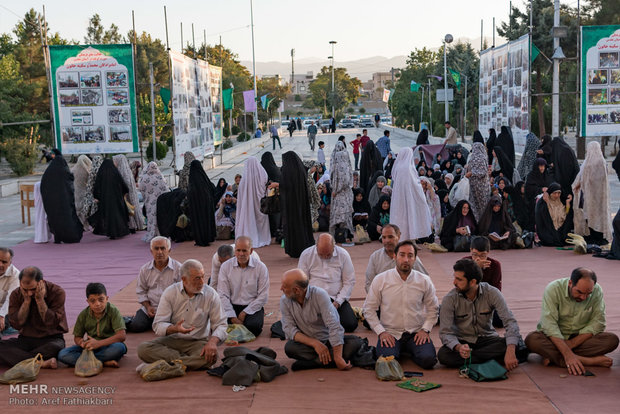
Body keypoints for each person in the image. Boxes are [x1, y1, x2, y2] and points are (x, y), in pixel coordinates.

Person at [525, 268, 619, 375]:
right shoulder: (553, 289)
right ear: (570, 283)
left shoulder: (597, 290)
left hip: (579, 339)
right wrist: (568, 355)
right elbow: (549, 325)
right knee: (532, 340)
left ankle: (553, 356)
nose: (583, 297)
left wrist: (571, 344)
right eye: (579, 292)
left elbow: (598, 323)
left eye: (588, 294)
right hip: (554, 338)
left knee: (611, 340)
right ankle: (585, 360)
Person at [137, 260, 227, 371]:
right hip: (172, 341)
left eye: (203, 277)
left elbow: (221, 324)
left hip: (197, 342)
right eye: (197, 278)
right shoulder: (170, 293)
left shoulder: (211, 294)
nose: (202, 282)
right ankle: (185, 363)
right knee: (143, 349)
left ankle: (165, 364)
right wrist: (174, 329)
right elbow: (158, 325)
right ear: (184, 279)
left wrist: (212, 342)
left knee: (211, 357)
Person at [364, 240, 439, 369]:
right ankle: (398, 350)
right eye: (402, 255)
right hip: (390, 333)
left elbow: (433, 308)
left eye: (410, 256)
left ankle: (408, 349)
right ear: (394, 256)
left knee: (429, 360)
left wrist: (425, 330)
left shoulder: (424, 280)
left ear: (415, 258)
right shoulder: (381, 279)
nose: (406, 259)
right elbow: (368, 309)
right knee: (387, 363)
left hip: (416, 333)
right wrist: (381, 332)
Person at [438, 259, 521, 370]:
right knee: (443, 355)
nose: (454, 282)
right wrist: (459, 347)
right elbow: (445, 332)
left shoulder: (492, 293)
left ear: (472, 282)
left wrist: (510, 350)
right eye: (454, 277)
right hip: (463, 341)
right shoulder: (450, 299)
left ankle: (473, 359)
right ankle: (491, 358)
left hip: (487, 338)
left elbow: (510, 321)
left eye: (459, 279)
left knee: (518, 344)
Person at [280, 269, 360, 371]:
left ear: (296, 290)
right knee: (290, 348)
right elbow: (289, 329)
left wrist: (337, 356)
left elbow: (334, 325)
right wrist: (315, 343)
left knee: (355, 343)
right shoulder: (284, 300)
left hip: (328, 341)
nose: (281, 288)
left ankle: (313, 363)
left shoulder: (320, 295)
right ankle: (328, 361)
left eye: (284, 286)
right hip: (307, 344)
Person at [0, 267, 68, 369]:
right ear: (20, 283)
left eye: (33, 289)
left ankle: (19, 358)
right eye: (26, 290)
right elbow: (16, 324)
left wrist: (40, 300)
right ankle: (40, 363)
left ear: (41, 282)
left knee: (55, 348)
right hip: (25, 339)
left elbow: (51, 322)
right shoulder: (16, 294)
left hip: (51, 339)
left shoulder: (57, 292)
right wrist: (26, 301)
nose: (29, 293)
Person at [58, 283, 127, 368]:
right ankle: (102, 362)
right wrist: (82, 343)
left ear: (107, 298)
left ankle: (88, 362)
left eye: (101, 299)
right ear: (88, 301)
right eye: (93, 301)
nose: (97, 304)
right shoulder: (83, 314)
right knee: (63, 354)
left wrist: (98, 343)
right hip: (91, 348)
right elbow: (77, 337)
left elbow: (121, 336)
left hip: (109, 345)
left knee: (119, 348)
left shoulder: (113, 311)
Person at [298, 234, 357, 332]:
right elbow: (302, 281)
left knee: (350, 324)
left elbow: (349, 282)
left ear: (334, 246)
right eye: (321, 255)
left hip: (335, 299)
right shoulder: (306, 254)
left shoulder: (343, 254)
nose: (325, 257)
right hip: (313, 298)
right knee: (302, 323)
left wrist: (338, 302)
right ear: (316, 246)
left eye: (328, 254)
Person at [126, 236, 181, 333]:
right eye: (156, 249)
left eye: (163, 248)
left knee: (180, 326)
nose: (159, 252)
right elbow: (141, 291)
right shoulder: (145, 269)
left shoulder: (179, 268)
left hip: (171, 310)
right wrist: (147, 307)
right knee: (136, 326)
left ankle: (157, 323)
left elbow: (183, 292)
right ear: (151, 251)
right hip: (151, 309)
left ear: (169, 250)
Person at [217, 236, 269, 337]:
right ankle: (238, 330)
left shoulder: (260, 267)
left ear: (251, 251)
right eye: (238, 250)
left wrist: (245, 312)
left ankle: (236, 331)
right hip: (231, 306)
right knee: (218, 325)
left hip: (251, 307)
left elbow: (263, 296)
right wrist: (232, 317)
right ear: (234, 251)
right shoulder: (226, 267)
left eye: (244, 250)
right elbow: (222, 294)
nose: (241, 254)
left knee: (254, 327)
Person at [365, 225, 427, 293]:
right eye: (384, 237)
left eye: (390, 237)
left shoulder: (409, 256)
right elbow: (369, 284)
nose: (387, 241)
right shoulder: (375, 257)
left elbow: (425, 281)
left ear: (399, 236)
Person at [572, 141, 612, 245]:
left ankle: (594, 236)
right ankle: (599, 237)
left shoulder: (588, 164)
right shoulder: (602, 162)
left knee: (589, 215)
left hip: (589, 196)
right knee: (599, 215)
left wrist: (577, 186)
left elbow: (581, 179)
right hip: (600, 196)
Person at [40, 150, 84, 244]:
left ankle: (58, 237)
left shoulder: (48, 172)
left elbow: (43, 186)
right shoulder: (64, 170)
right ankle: (71, 236)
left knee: (55, 219)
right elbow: (70, 182)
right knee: (67, 218)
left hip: (52, 202)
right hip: (64, 201)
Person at [389, 147, 432, 240]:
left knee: (400, 217)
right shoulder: (408, 168)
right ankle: (411, 239)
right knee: (410, 216)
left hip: (398, 198)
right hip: (409, 197)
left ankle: (401, 238)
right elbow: (414, 183)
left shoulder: (397, 167)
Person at [280, 151, 315, 258]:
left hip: (291, 206)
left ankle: (295, 249)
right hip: (301, 205)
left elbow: (286, 186)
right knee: (302, 225)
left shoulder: (288, 172)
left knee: (294, 227)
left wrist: (278, 185)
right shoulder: (300, 170)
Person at [462, 236, 504, 327]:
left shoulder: (495, 265)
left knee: (501, 319)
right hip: (467, 301)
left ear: (488, 253)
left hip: (487, 303)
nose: (478, 259)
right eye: (475, 255)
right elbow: (462, 287)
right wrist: (474, 268)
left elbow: (496, 290)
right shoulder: (464, 263)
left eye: (482, 256)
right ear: (470, 250)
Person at [88, 159, 130, 240]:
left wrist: (97, 196)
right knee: (117, 215)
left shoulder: (101, 173)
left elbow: (96, 186)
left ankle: (111, 232)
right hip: (117, 198)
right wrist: (125, 191)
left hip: (105, 199)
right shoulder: (115, 172)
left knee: (108, 216)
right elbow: (122, 183)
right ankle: (118, 231)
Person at [235, 157, 271, 248]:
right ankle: (264, 238)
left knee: (250, 221)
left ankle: (249, 239)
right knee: (261, 223)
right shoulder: (263, 174)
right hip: (261, 204)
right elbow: (266, 187)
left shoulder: (244, 181)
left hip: (248, 208)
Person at [187, 160, 216, 246]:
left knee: (198, 222)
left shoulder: (192, 179)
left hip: (196, 207)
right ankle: (208, 237)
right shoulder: (204, 178)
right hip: (206, 205)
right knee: (206, 221)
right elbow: (212, 188)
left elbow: (189, 193)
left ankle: (200, 239)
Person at [113, 154, 145, 233]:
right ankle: (137, 225)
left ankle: (132, 226)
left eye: (115, 161)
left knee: (129, 209)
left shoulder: (122, 172)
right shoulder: (126, 171)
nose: (114, 163)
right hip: (130, 195)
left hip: (127, 196)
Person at [139, 162, 170, 242]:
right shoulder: (160, 176)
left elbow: (141, 189)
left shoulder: (144, 177)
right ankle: (161, 233)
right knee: (160, 217)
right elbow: (166, 189)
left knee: (151, 217)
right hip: (161, 202)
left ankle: (153, 233)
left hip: (150, 201)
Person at [535, 182, 574, 247]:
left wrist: (567, 203)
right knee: (551, 240)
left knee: (565, 238)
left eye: (559, 193)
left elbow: (565, 217)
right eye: (554, 193)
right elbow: (546, 219)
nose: (557, 195)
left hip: (560, 230)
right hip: (548, 230)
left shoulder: (560, 201)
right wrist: (547, 203)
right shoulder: (542, 203)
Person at [329, 141, 354, 237]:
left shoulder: (337, 160)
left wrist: (335, 190)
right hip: (347, 192)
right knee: (346, 214)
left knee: (337, 214)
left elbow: (338, 179)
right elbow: (348, 179)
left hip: (338, 193)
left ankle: (337, 235)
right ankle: (347, 234)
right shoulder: (347, 160)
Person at [525, 158, 553, 231]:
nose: (542, 168)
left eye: (543, 166)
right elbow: (529, 189)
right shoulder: (531, 176)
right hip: (534, 202)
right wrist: (540, 189)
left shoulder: (547, 175)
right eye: (540, 166)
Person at [467, 142, 491, 222]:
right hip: (482, 187)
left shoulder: (473, 158)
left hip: (475, 186)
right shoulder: (483, 157)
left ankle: (479, 224)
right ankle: (483, 224)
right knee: (482, 206)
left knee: (476, 206)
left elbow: (482, 171)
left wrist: (472, 173)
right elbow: (484, 171)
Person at [0, 247, 19, 337]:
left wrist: (1, 315)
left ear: (10, 263)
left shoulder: (15, 275)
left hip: (7, 311)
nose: (0, 265)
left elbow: (10, 300)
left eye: (4, 262)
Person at [72, 154, 92, 229]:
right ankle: (85, 225)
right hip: (84, 191)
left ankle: (79, 224)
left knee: (77, 208)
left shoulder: (73, 169)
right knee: (84, 209)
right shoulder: (87, 170)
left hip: (75, 191)